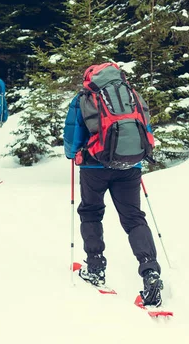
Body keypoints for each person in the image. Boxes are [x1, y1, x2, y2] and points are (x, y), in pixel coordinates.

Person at [63, 63, 164, 307]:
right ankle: (150, 271)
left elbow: (72, 134)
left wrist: (72, 154)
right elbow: (145, 128)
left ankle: (95, 268)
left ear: (91, 78)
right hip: (130, 167)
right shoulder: (132, 94)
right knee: (133, 218)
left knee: (91, 212)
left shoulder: (84, 98)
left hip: (93, 166)